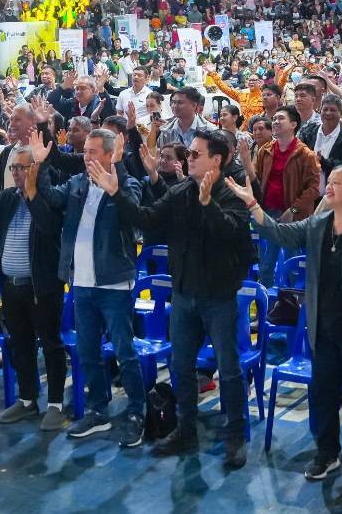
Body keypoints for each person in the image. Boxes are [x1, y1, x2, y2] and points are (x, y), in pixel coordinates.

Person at [96, 131, 254, 469]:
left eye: (196, 154)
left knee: (228, 370)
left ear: (217, 160)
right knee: (181, 366)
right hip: (184, 295)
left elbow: (229, 233)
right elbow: (147, 218)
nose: (189, 158)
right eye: (189, 153)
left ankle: (235, 436)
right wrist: (116, 193)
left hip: (218, 298)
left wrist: (208, 203)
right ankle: (186, 431)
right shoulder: (181, 192)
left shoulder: (233, 194)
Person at [229, 164, 342, 485]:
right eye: (329, 182)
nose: (329, 187)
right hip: (323, 325)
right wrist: (253, 204)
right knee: (322, 392)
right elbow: (281, 233)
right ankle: (327, 453)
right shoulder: (318, 223)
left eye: (337, 183)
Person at [36, 127, 147, 446]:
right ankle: (98, 410)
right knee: (87, 352)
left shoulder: (128, 183)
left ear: (111, 154)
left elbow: (134, 213)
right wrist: (41, 165)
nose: (86, 157)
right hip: (81, 282)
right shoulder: (78, 183)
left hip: (114, 284)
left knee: (124, 352)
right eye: (84, 151)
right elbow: (52, 197)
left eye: (92, 152)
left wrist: (116, 181)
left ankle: (137, 412)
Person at [0, 140, 67, 429]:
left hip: (41, 288)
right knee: (20, 344)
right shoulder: (8, 197)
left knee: (51, 344)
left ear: (36, 168)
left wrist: (33, 194)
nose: (16, 173)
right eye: (13, 168)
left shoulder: (51, 198)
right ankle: (27, 400)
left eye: (22, 168)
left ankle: (56, 405)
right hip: (10, 286)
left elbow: (48, 226)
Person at [249, 106, 322, 286]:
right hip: (267, 213)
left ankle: (290, 299)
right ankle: (264, 297)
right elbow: (255, 180)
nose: (275, 122)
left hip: (293, 216)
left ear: (293, 124)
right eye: (274, 119)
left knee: (292, 264)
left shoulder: (306, 154)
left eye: (280, 118)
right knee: (266, 263)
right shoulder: (265, 150)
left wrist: (293, 209)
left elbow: (314, 189)